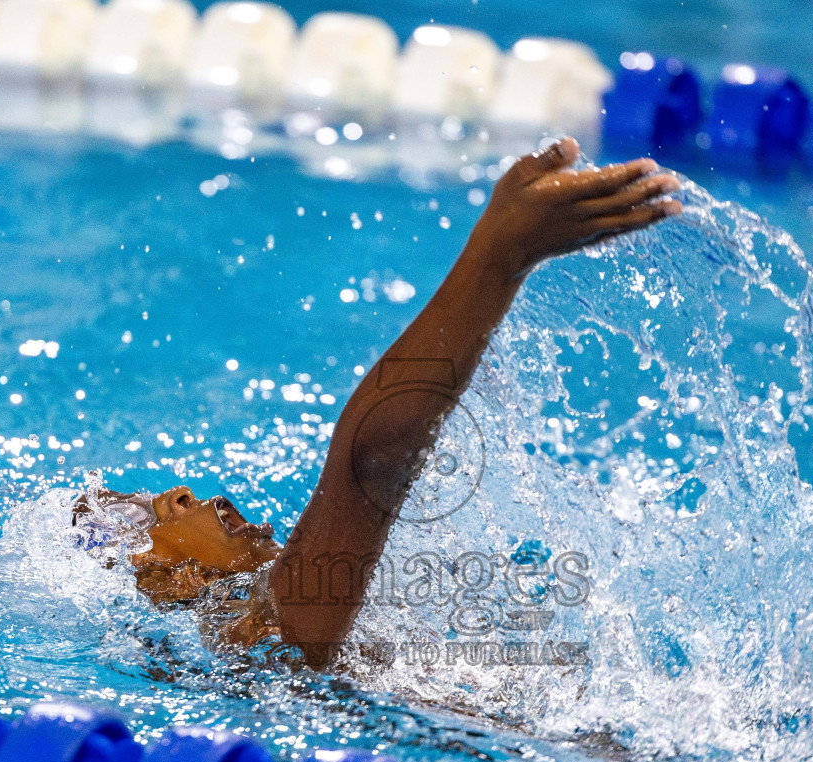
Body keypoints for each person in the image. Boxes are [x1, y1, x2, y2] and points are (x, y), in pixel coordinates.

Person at [77, 137, 683, 668]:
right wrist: (499, 256)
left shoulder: (296, 626)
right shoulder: (256, 640)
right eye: (144, 515)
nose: (183, 494)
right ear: (167, 583)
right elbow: (372, 462)